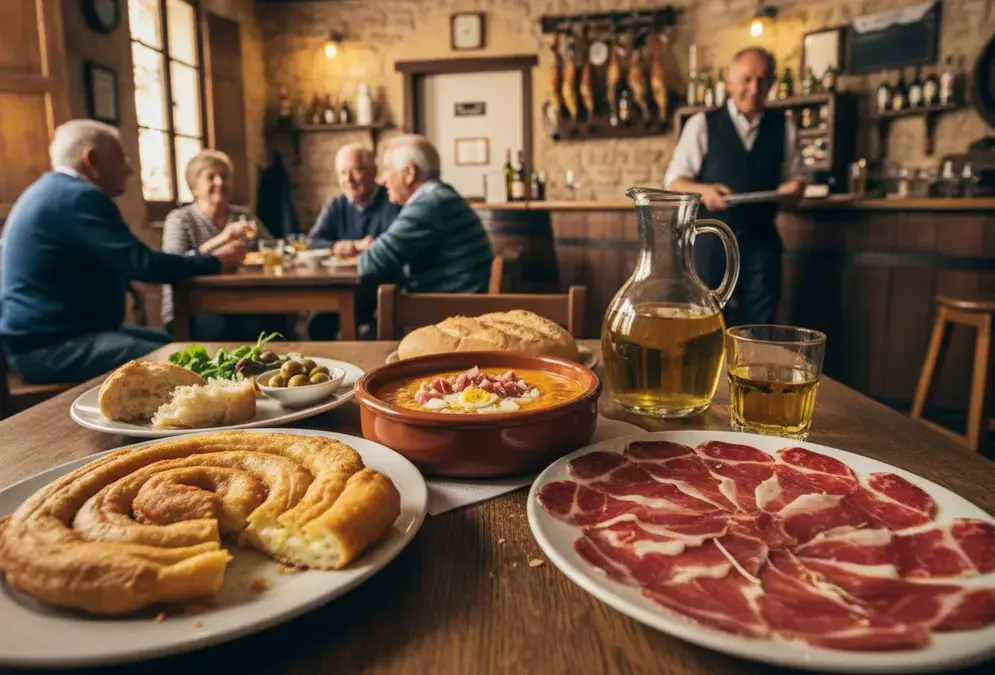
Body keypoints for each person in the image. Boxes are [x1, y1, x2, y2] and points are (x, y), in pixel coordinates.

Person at [0, 120, 245, 384]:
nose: (129, 169)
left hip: (50, 338)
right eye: (121, 158)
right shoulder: (79, 198)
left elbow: (92, 260)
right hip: (49, 348)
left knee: (168, 343)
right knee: (175, 356)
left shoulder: (53, 191)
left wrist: (124, 278)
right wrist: (215, 262)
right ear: (92, 160)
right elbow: (143, 263)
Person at [665, 46, 806, 325]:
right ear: (729, 82)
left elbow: (796, 181)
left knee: (759, 326)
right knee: (705, 322)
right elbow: (674, 182)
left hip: (762, 243)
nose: (754, 89)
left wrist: (794, 190)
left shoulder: (785, 127)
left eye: (762, 80)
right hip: (710, 242)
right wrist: (705, 192)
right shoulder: (702, 124)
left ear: (771, 84)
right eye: (746, 79)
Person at [161, 150, 274, 341]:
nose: (220, 182)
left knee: (275, 322)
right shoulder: (180, 219)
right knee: (223, 329)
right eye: (211, 177)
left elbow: (269, 247)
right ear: (194, 186)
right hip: (191, 304)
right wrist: (222, 238)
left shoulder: (244, 216)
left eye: (225, 176)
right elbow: (174, 262)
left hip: (244, 298)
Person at [359, 134, 493, 294]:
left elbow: (370, 264)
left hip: (446, 305)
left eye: (387, 169)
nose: (381, 180)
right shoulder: (440, 196)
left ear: (409, 173)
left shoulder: (429, 204)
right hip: (458, 301)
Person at [307, 143, 402, 258]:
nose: (348, 179)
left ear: (374, 171)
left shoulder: (393, 200)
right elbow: (312, 242)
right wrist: (348, 246)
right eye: (343, 173)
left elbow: (395, 244)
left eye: (356, 170)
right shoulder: (336, 205)